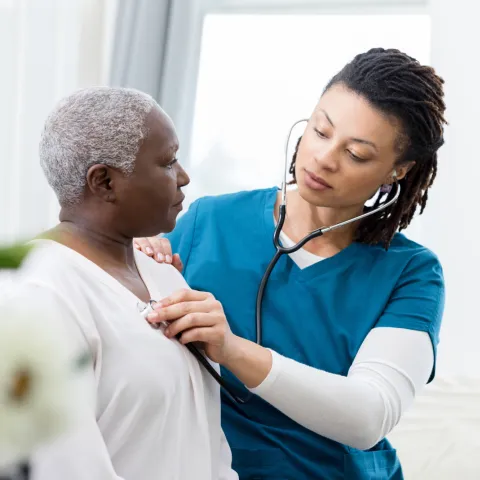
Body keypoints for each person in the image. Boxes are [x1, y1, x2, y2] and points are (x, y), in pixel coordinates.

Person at [134, 48, 447, 479]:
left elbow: (368, 417)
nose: (323, 158)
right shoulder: (210, 221)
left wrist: (232, 349)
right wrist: (134, 260)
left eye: (356, 153)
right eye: (321, 131)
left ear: (398, 171)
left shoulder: (411, 273)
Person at [3, 87, 238, 480]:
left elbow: (205, 441)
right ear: (105, 182)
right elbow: (66, 470)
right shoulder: (36, 294)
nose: (183, 177)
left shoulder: (164, 273)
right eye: (168, 162)